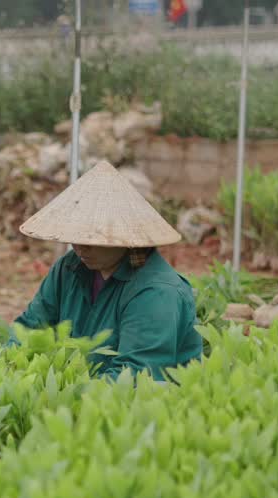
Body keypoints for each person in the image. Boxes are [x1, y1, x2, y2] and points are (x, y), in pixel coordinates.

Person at [13, 161, 203, 382]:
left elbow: (134, 375)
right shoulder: (70, 268)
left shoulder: (157, 291)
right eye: (76, 236)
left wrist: (68, 394)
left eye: (92, 239)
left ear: (125, 239)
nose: (80, 247)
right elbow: (29, 327)